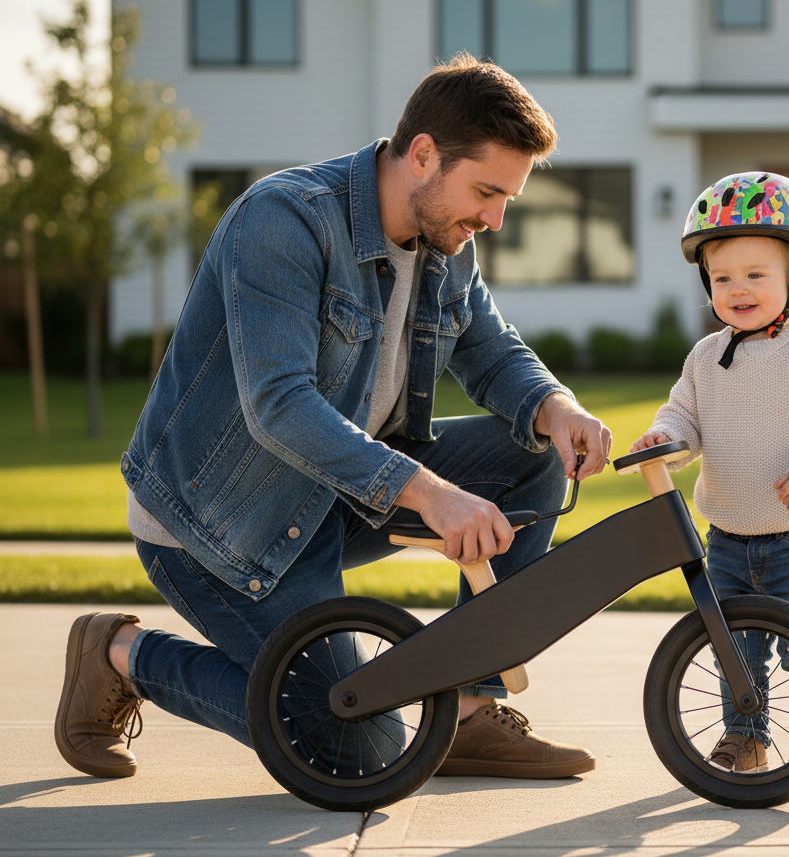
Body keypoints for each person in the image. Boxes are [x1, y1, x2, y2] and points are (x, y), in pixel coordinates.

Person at [55, 54, 612, 784]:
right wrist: (431, 493)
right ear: (422, 156)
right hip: (222, 524)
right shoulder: (283, 220)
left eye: (506, 198)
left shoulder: (449, 238)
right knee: (358, 749)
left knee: (531, 453)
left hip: (338, 493)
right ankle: (122, 655)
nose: (494, 219)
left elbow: (488, 348)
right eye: (485, 191)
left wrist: (555, 406)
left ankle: (470, 715)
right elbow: (279, 406)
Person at [630, 172, 789, 786]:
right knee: (735, 650)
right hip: (729, 537)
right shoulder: (706, 357)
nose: (736, 289)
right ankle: (747, 740)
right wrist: (666, 439)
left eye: (755, 274)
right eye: (721, 278)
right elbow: (685, 416)